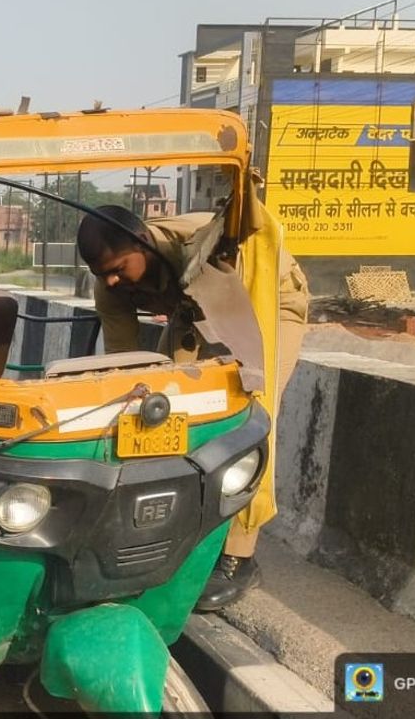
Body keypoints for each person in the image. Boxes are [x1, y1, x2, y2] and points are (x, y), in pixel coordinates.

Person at [76, 197, 309, 611]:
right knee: (164, 414)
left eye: (116, 270)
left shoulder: (206, 247)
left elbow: (243, 331)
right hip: (194, 307)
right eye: (101, 275)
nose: (111, 282)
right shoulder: (109, 287)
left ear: (143, 242)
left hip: (264, 294)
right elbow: (124, 367)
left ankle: (239, 557)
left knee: (249, 414)